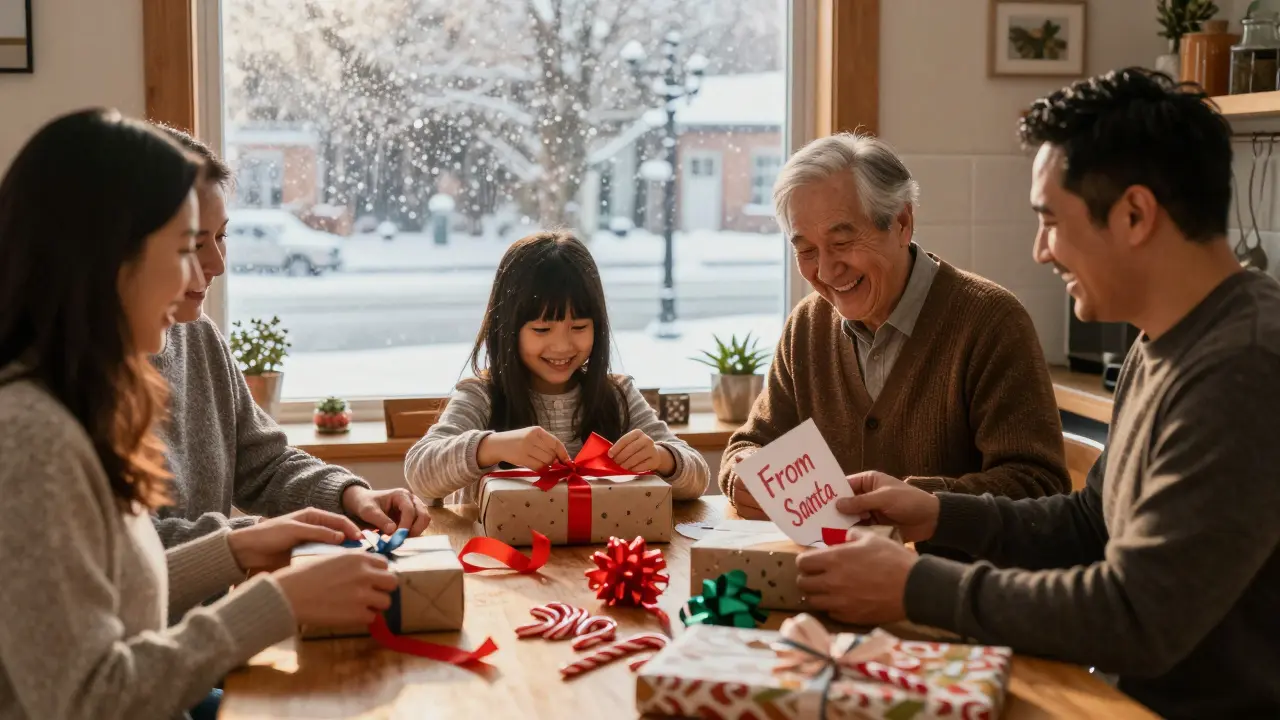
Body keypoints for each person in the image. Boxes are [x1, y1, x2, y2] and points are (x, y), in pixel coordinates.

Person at [793, 69, 1280, 718]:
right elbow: (1090, 524)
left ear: (1135, 214)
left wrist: (917, 586)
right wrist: (936, 511)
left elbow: (1138, 616)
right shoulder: (1162, 339)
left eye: (1050, 220)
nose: (1041, 249)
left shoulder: (1246, 364)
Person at [0, 109, 397, 719]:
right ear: (109, 254)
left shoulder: (81, 398)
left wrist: (240, 549)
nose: (204, 271)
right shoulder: (32, 439)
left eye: (213, 242)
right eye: (186, 248)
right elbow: (88, 699)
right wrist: (275, 598)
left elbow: (119, 601)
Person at [723, 133, 1069, 520]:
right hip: (830, 572)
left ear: (902, 223)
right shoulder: (807, 325)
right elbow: (753, 443)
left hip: (949, 577)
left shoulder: (991, 321)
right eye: (805, 250)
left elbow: (1039, 485)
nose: (824, 270)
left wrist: (922, 504)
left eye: (842, 241)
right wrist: (744, 474)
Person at [150, 126, 430, 547]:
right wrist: (259, 538)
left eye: (222, 237)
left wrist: (351, 496)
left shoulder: (199, 337)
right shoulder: (66, 384)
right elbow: (126, 554)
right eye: (194, 244)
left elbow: (264, 464)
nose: (217, 265)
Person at [405, 231, 709, 504]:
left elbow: (697, 477)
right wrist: (492, 446)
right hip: (502, 562)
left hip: (597, 558)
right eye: (541, 330)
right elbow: (420, 473)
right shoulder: (482, 396)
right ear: (508, 329)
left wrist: (662, 457)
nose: (562, 346)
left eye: (579, 327)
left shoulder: (617, 394)